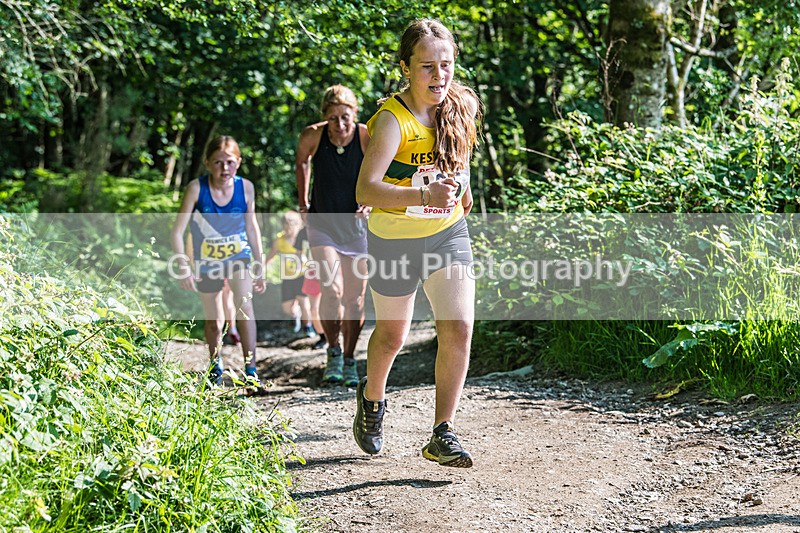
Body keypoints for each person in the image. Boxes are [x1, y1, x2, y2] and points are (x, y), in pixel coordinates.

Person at [353, 19, 481, 468]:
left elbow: (458, 160)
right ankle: (371, 402)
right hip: (393, 241)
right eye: (427, 66)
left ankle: (442, 432)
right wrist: (421, 195)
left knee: (460, 326)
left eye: (446, 65)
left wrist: (463, 189)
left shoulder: (461, 105)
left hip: (447, 233)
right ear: (405, 67)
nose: (439, 76)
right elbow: (365, 191)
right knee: (392, 335)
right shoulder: (392, 120)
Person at [170, 135, 266, 387]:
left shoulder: (246, 188)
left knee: (245, 307)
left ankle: (251, 368)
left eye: (230, 162)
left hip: (239, 256)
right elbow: (177, 231)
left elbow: (252, 226)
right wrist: (183, 267)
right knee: (213, 320)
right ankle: (215, 365)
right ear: (207, 163)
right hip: (207, 260)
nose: (224, 168)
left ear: (239, 163)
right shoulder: (196, 188)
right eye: (218, 163)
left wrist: (260, 263)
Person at [296, 85, 370, 387]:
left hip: (355, 225)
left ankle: (351, 358)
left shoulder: (365, 135)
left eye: (345, 117)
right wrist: (303, 202)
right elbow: (302, 161)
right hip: (322, 223)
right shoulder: (313, 135)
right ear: (324, 117)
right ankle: (333, 351)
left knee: (355, 299)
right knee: (332, 289)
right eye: (333, 118)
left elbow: (384, 166)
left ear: (355, 113)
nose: (340, 125)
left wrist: (371, 200)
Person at [263, 210, 315, 338]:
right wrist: (262, 269)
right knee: (287, 308)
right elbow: (270, 256)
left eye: (291, 225)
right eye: (285, 225)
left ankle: (308, 327)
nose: (288, 228)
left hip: (302, 275)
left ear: (298, 225)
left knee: (304, 302)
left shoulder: (303, 239)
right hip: (287, 277)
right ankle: (295, 315)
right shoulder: (279, 241)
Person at [302, 271, 328, 350]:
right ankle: (323, 337)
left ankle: (335, 337)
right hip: (313, 274)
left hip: (333, 272)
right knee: (314, 310)